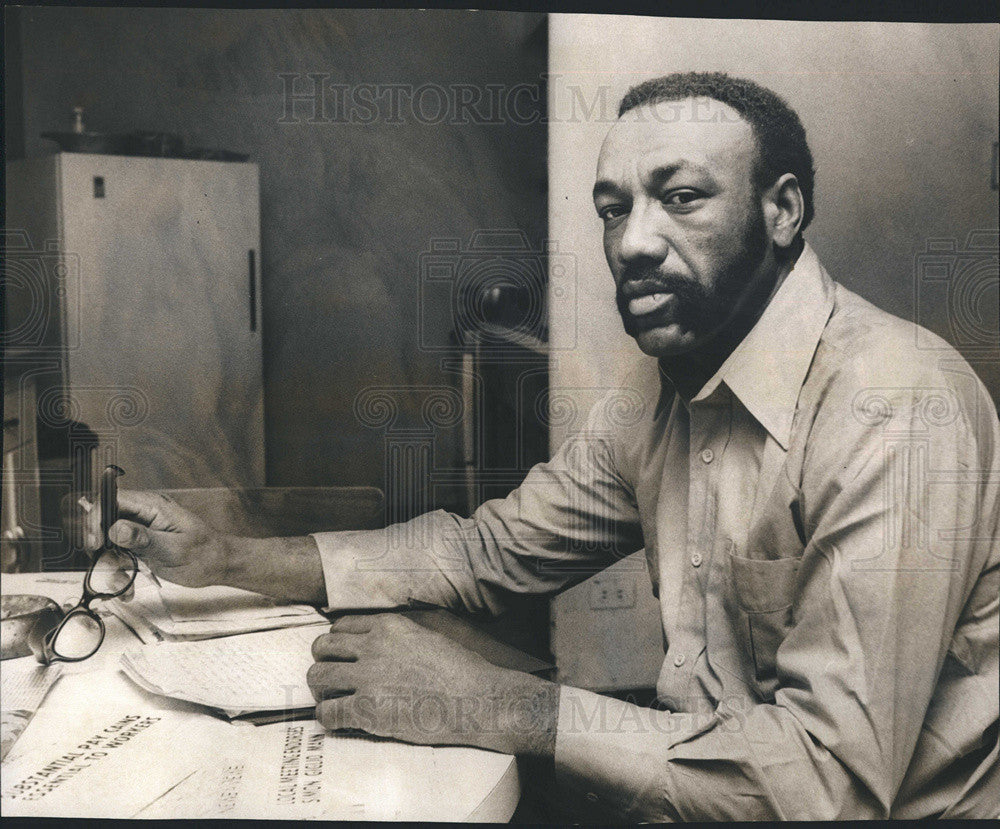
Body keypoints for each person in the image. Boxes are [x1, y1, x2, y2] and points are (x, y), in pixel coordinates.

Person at [104, 73, 999, 820]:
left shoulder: (898, 405)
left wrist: (492, 702)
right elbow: (488, 551)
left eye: (681, 198)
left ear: (784, 210)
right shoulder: (665, 392)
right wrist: (227, 556)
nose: (633, 242)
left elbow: (829, 783)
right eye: (613, 209)